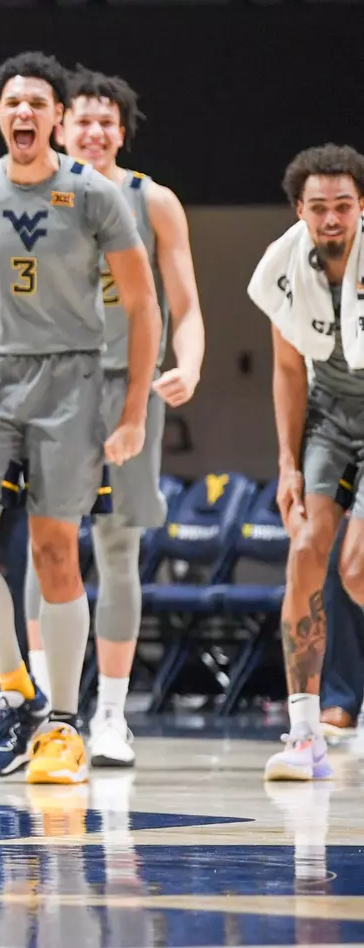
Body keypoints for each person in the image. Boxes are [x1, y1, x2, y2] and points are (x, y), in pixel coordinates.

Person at [0, 51, 159, 786]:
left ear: (57, 117)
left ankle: (63, 723)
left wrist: (135, 409)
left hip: (71, 380)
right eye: (12, 102)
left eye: (37, 104)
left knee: (55, 551)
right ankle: (16, 691)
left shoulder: (94, 197)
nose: (24, 113)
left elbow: (143, 308)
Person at [23, 68, 204, 769]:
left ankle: (110, 714)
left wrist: (187, 364)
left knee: (119, 543)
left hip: (128, 383)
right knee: (51, 542)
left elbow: (184, 303)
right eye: (84, 121)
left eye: (108, 123)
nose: (95, 133)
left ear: (121, 134)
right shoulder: (31, 194)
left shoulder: (150, 199)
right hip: (52, 383)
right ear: (61, 125)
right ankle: (49, 708)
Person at [249, 143, 364, 782]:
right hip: (330, 415)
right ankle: (304, 735)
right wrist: (288, 464)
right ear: (300, 209)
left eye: (342, 206)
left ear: (360, 207)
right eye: (317, 207)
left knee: (356, 567)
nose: (330, 219)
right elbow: (289, 371)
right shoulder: (281, 266)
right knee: (305, 550)